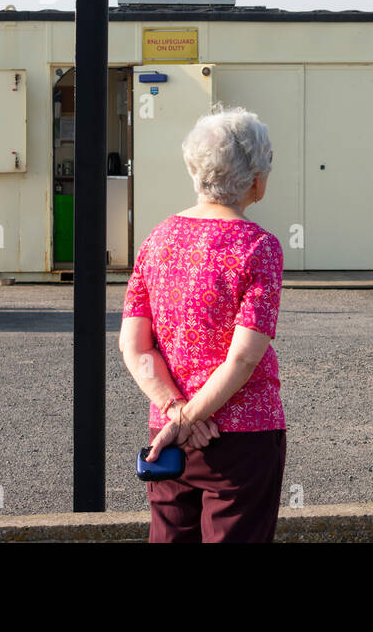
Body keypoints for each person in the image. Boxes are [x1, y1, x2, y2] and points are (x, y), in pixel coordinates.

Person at [119, 106, 286, 542]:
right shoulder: (259, 248)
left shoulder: (158, 239)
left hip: (168, 438)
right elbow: (244, 357)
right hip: (243, 435)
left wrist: (177, 414)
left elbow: (134, 346)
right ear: (254, 178)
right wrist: (192, 417)